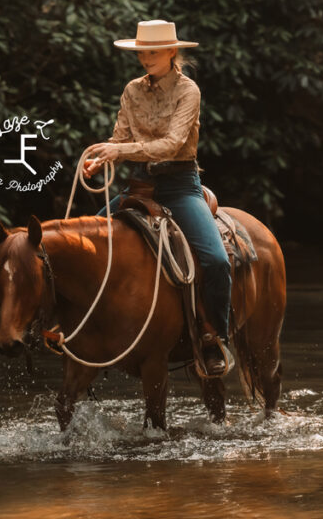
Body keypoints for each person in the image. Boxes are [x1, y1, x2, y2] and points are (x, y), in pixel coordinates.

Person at [82, 19, 232, 376]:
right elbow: (119, 137)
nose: (145, 58)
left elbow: (173, 144)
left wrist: (119, 152)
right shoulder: (132, 90)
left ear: (170, 52)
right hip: (139, 186)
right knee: (89, 245)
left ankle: (216, 338)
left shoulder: (188, 91)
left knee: (216, 261)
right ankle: (87, 330)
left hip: (180, 186)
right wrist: (101, 157)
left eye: (152, 52)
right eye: (141, 52)